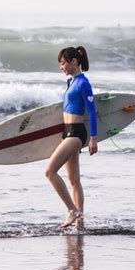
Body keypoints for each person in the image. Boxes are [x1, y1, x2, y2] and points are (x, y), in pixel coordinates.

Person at [45, 46, 98, 229]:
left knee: (49, 172)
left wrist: (93, 138)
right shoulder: (71, 82)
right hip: (67, 132)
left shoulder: (84, 83)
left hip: (76, 134)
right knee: (74, 181)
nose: (61, 67)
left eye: (63, 63)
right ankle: (80, 223)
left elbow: (91, 112)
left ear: (74, 62)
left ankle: (72, 211)